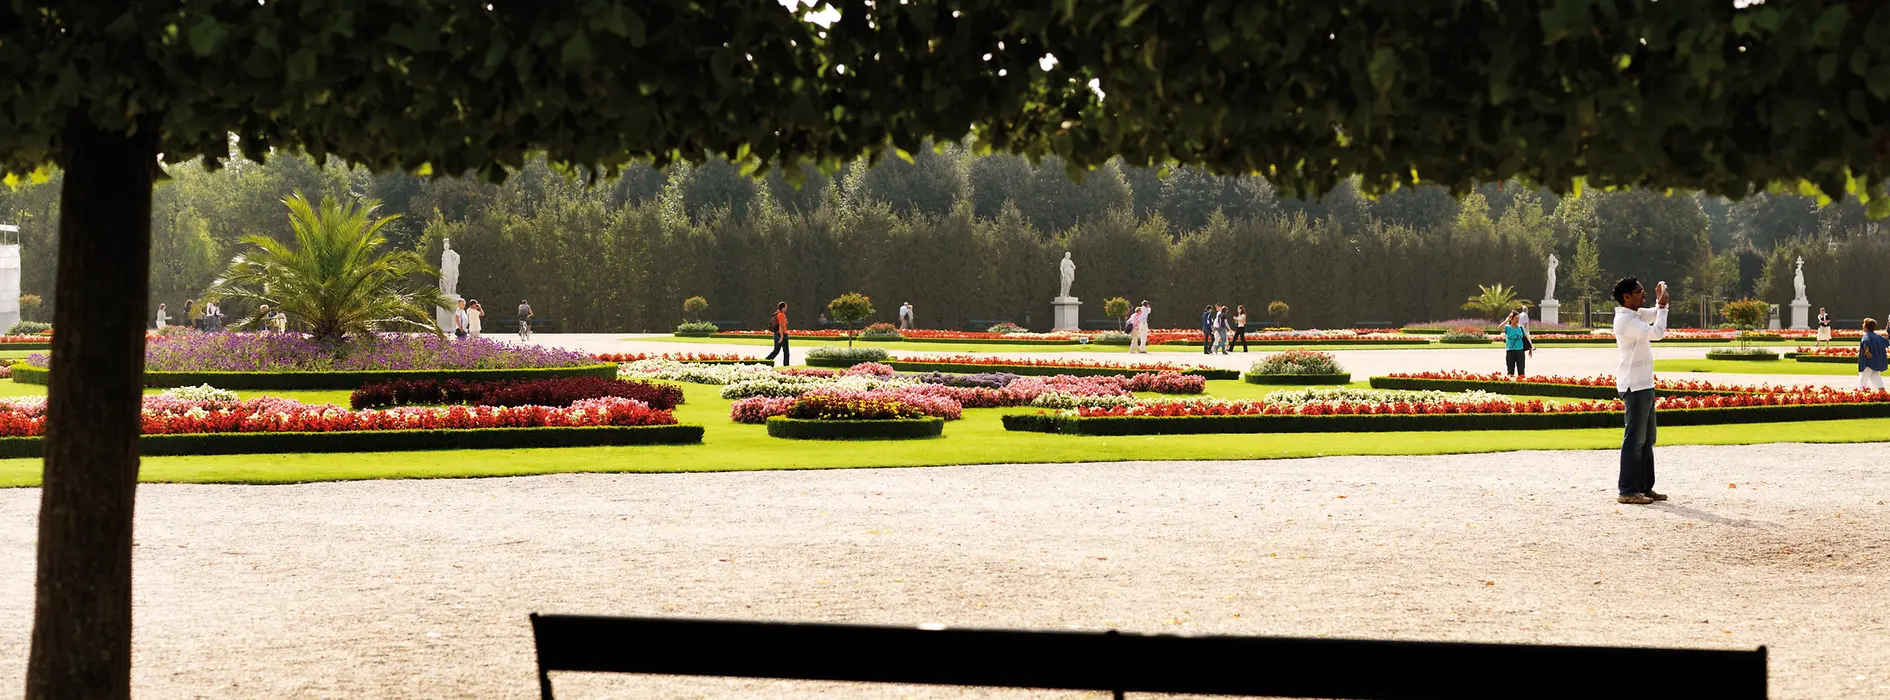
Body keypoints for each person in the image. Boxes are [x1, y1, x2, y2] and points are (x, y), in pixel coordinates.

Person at [1613, 276, 1669, 505]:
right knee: (1634, 439)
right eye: (1639, 292)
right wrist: (1663, 306)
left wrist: (1660, 301)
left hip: (1644, 383)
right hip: (1633, 385)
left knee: (1647, 439)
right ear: (1627, 297)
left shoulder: (1634, 315)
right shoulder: (1626, 321)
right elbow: (1657, 333)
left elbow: (1654, 312)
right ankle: (1627, 490)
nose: (1643, 295)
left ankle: (1644, 487)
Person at [1859, 319, 1889, 390]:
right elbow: (1887, 342)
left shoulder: (1866, 335)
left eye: (1863, 324)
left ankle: (1860, 393)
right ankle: (1882, 393)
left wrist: (1867, 351)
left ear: (1866, 327)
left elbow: (1866, 342)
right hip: (1877, 362)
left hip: (1868, 363)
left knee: (1862, 380)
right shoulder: (1878, 336)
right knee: (1876, 378)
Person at [1502, 309, 1530, 376]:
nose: (1517, 320)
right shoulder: (1507, 328)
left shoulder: (1521, 327)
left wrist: (1530, 349)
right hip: (1510, 351)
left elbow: (1526, 338)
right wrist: (1506, 320)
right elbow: (1500, 327)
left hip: (1520, 351)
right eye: (1516, 318)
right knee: (1510, 372)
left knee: (1521, 372)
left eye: (1518, 318)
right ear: (1511, 318)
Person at [765, 301, 791, 366]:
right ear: (783, 308)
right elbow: (781, 325)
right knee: (786, 352)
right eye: (785, 307)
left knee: (776, 351)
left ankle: (765, 361)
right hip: (782, 335)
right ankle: (786, 365)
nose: (786, 309)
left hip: (776, 334)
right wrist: (782, 336)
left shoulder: (776, 314)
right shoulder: (781, 315)